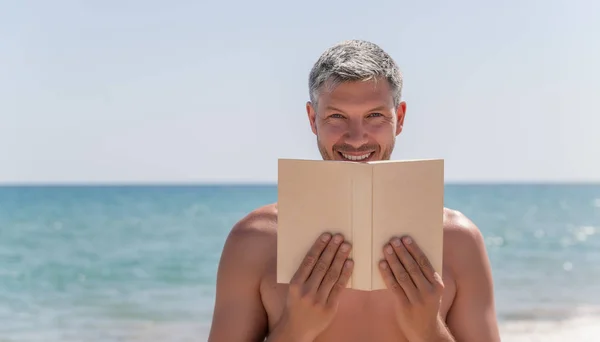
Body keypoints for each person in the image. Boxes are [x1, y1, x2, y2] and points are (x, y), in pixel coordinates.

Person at [207, 40, 501, 342]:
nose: (357, 138)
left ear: (399, 119)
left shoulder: (458, 240)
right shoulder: (254, 240)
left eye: (375, 116)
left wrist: (428, 330)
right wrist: (297, 328)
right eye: (337, 116)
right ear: (312, 119)